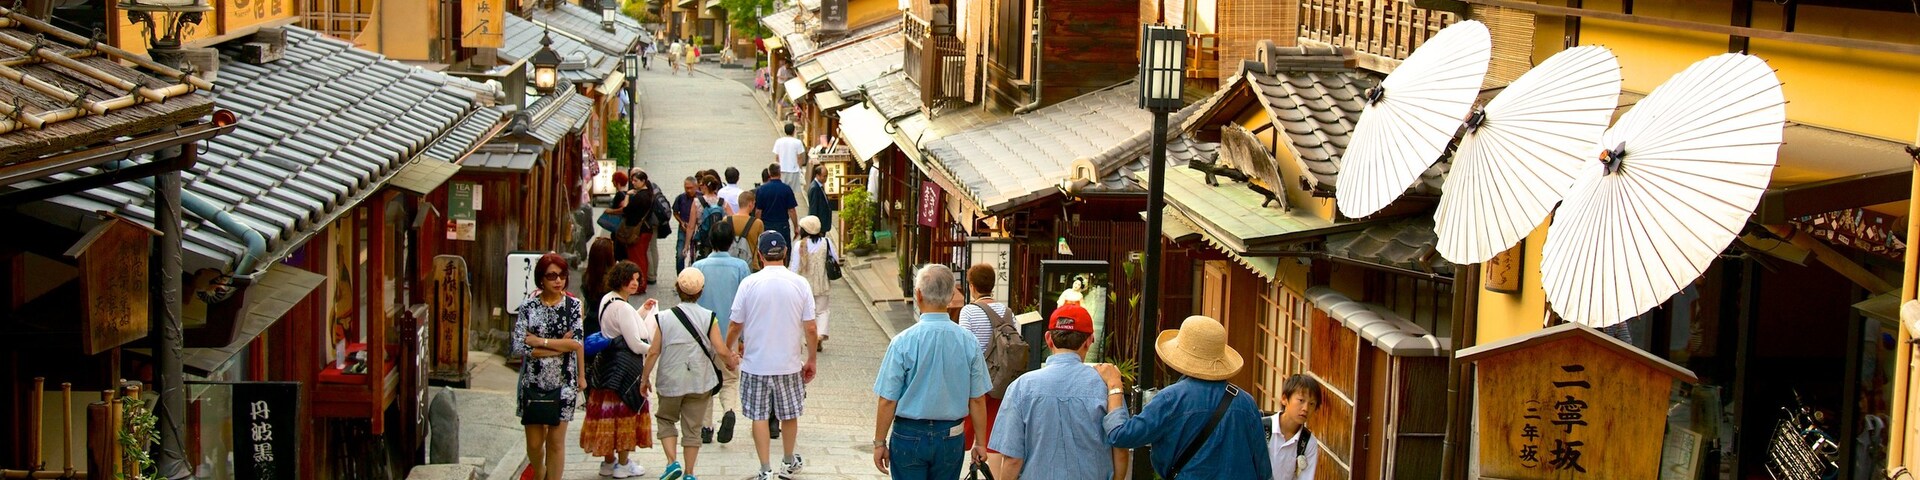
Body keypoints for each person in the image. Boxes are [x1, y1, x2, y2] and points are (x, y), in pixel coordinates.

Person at [1105, 315, 1271, 479]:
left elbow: (1121, 436)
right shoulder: (1246, 403)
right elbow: (1263, 469)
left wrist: (1114, 387)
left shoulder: (1171, 399)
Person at [872, 264, 992, 479]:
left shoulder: (902, 342)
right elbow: (977, 398)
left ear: (918, 295)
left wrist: (879, 442)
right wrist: (980, 443)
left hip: (908, 433)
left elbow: (888, 400)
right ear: (952, 296)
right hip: (951, 434)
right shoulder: (968, 341)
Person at [989, 304, 1130, 480]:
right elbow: (1120, 448)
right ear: (1089, 341)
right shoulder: (1108, 387)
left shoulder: (1021, 387)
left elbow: (1012, 459)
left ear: (1048, 339)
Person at [723, 231, 819, 480]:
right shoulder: (800, 284)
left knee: (759, 416)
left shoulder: (749, 283)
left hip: (756, 364)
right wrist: (811, 359)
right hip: (788, 363)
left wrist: (727, 350)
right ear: (785, 252)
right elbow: (810, 327)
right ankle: (787, 461)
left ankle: (765, 468)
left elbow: (735, 324)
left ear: (759, 254)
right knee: (789, 414)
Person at [642, 269, 735, 480]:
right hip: (699, 381)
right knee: (693, 428)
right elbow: (720, 349)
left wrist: (644, 378)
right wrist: (731, 362)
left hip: (670, 379)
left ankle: (671, 462)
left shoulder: (664, 318)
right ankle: (690, 472)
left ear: (677, 289)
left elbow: (654, 351)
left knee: (666, 419)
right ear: (701, 291)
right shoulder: (709, 317)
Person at [512, 253, 586, 480]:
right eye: (552, 276)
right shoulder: (528, 307)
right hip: (533, 380)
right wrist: (559, 347)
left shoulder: (573, 306)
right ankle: (540, 472)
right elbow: (519, 345)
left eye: (562, 275)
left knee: (556, 442)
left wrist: (539, 342)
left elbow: (576, 343)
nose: (558, 280)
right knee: (534, 444)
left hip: (564, 381)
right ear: (541, 279)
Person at [583, 261, 656, 478]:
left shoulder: (609, 299)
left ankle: (609, 463)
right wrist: (654, 349)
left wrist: (642, 310)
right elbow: (634, 343)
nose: (634, 283)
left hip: (606, 366)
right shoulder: (622, 307)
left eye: (637, 279)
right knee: (625, 415)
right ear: (620, 279)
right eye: (630, 279)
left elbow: (622, 327)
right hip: (625, 368)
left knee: (608, 415)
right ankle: (623, 464)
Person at [691, 224, 753, 445]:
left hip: (702, 334)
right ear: (730, 242)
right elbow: (746, 305)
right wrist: (743, 338)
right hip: (729, 335)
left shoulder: (698, 267)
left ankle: (706, 426)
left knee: (704, 380)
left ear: (711, 241)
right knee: (729, 378)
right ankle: (729, 410)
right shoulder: (740, 267)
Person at [956, 263, 1008, 460]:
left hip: (976, 377)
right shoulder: (1006, 311)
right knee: (991, 431)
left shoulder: (969, 311)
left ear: (971, 286)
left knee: (966, 431)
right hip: (1000, 379)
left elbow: (964, 346)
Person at [792, 216, 837, 350]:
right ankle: (819, 335)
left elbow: (795, 266)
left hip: (804, 282)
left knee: (806, 311)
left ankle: (809, 337)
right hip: (821, 281)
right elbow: (834, 258)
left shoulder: (799, 245)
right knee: (822, 310)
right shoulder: (826, 242)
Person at [1266, 375, 1322, 480]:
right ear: (1284, 399)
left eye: (1311, 404)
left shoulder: (1308, 442)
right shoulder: (1262, 427)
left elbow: (1306, 477)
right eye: (1301, 400)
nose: (1306, 408)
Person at [753, 163, 800, 244]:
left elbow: (758, 211)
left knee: (766, 247)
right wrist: (796, 227)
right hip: (782, 225)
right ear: (780, 173)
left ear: (769, 173)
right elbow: (792, 210)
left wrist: (757, 227)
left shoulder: (761, 190)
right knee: (784, 247)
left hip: (766, 225)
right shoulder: (786, 189)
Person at [726, 190, 766, 271]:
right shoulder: (757, 223)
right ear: (750, 204)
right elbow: (760, 245)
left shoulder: (726, 220)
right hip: (751, 265)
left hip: (730, 264)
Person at [672, 177, 699, 272]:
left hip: (697, 229)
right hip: (684, 229)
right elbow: (675, 212)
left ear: (696, 186)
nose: (688, 190)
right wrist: (681, 222)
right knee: (680, 254)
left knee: (697, 255)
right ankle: (680, 276)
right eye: (686, 188)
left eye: (691, 188)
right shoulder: (680, 198)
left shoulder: (701, 198)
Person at [772, 124, 807, 195]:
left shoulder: (779, 141)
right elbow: (799, 157)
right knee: (791, 192)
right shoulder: (797, 142)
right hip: (793, 170)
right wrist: (800, 168)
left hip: (781, 170)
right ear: (794, 131)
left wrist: (777, 167)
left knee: (781, 190)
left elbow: (777, 157)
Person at [806, 164, 832, 235]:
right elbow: (813, 208)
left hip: (822, 223)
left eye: (827, 176)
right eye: (824, 176)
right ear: (817, 175)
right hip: (818, 225)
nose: (826, 178)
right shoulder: (815, 188)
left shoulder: (819, 186)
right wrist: (815, 225)